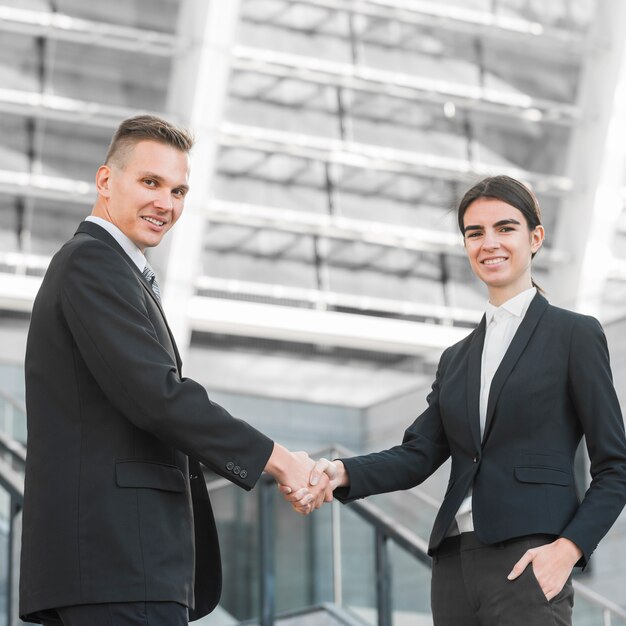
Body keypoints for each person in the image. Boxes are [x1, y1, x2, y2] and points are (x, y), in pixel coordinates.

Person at [20, 114, 329, 626]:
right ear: (105, 181)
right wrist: (279, 461)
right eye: (150, 182)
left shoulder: (117, 271)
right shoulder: (91, 263)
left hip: (114, 567)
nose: (166, 203)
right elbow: (158, 397)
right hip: (117, 563)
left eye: (179, 190)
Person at [285, 175, 626, 625]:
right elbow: (418, 453)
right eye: (475, 232)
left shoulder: (574, 335)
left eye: (505, 228)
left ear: (535, 237)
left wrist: (569, 549)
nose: (489, 243)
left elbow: (615, 466)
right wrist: (342, 471)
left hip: (529, 559)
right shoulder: (457, 358)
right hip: (453, 565)